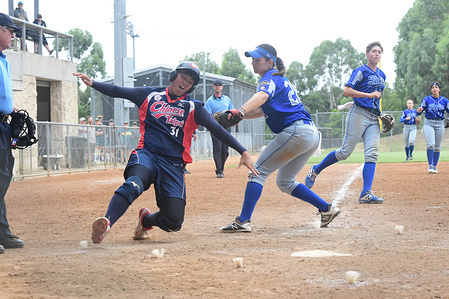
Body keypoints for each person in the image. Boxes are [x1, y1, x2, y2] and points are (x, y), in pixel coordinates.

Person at [73, 61, 257, 244]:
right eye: (183, 77)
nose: (185, 83)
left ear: (192, 87)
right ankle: (107, 223)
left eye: (190, 82)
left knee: (173, 221)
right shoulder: (150, 95)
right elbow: (118, 91)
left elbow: (217, 129)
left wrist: (243, 151)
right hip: (147, 154)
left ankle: (145, 221)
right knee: (134, 184)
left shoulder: (194, 107)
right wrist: (93, 83)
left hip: (174, 164)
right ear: (173, 76)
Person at [221, 44, 340, 233]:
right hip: (309, 134)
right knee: (285, 181)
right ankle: (326, 209)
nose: (253, 63)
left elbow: (261, 96)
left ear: (270, 62)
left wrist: (241, 110)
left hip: (296, 132)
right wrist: (240, 116)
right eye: (252, 59)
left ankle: (243, 221)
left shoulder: (269, 78)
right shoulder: (280, 79)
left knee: (257, 171)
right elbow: (262, 109)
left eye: (257, 60)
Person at [305, 41, 386, 204]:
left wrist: (381, 114)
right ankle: (316, 170)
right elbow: (347, 91)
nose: (376, 54)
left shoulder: (382, 75)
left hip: (373, 118)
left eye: (379, 52)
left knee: (372, 154)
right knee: (344, 152)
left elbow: (377, 98)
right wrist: (368, 96)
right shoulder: (361, 71)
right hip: (359, 114)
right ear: (367, 54)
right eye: (373, 51)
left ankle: (366, 193)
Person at [0, 12, 26, 252]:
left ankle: (3, 233)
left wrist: (15, 110)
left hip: (3, 125)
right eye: (10, 31)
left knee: (4, 175)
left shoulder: (4, 60)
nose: (13, 36)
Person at [416, 81, 449, 174]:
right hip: (429, 123)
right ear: (431, 90)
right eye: (433, 87)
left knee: (437, 147)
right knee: (431, 144)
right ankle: (430, 165)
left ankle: (434, 166)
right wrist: (418, 111)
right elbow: (419, 111)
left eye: (436, 87)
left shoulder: (444, 100)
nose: (434, 89)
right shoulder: (427, 99)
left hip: (440, 123)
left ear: (439, 89)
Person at [205, 79, 234, 178]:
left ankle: (221, 168)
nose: (217, 87)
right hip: (215, 127)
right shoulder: (210, 101)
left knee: (225, 151)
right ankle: (219, 170)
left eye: (219, 85)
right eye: (216, 85)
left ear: (222, 87)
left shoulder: (227, 99)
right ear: (213, 87)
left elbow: (231, 110)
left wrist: (230, 114)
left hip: (226, 127)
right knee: (217, 148)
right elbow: (208, 115)